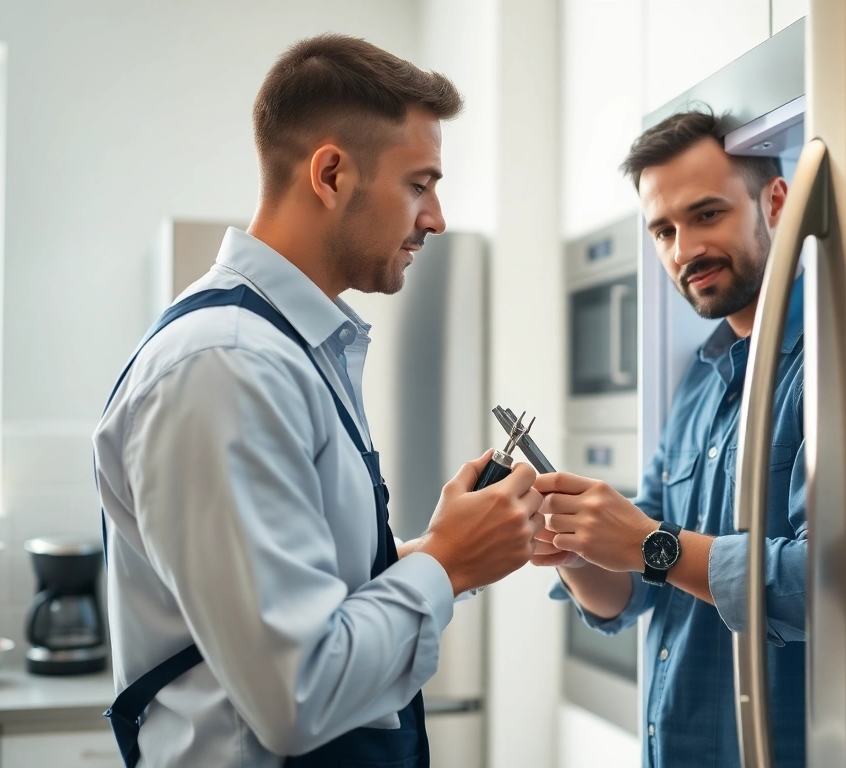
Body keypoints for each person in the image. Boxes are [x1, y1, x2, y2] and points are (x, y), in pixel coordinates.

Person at [93, 34, 543, 768]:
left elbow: (304, 597)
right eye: (419, 184)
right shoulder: (227, 367)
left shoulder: (286, 350)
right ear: (331, 173)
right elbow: (296, 695)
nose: (436, 218)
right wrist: (449, 566)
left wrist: (440, 546)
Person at [533, 110, 807, 768]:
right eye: (663, 229)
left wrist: (650, 545)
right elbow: (638, 588)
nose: (683, 250)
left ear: (776, 204)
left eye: (706, 215)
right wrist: (573, 548)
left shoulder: (830, 367)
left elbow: (823, 590)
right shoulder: (699, 382)